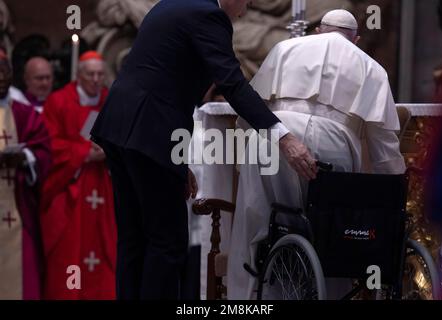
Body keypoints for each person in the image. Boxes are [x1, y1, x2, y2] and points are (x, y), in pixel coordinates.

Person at [91, 0, 317, 300]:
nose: (246, 10)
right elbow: (233, 83)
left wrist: (178, 161)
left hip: (121, 126)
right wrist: (284, 137)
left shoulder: (172, 4)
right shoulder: (209, 14)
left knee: (133, 239)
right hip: (150, 130)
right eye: (246, 1)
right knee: (166, 241)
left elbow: (165, 81)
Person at [227, 9, 407, 299]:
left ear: (317, 31)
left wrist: (243, 165)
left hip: (274, 137)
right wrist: (395, 192)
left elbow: (249, 110)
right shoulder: (371, 67)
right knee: (329, 234)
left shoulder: (284, 48)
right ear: (356, 40)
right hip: (333, 144)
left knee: (257, 226)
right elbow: (384, 149)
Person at [41, 51, 116, 300]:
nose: (96, 79)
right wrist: (84, 152)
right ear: (78, 75)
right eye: (90, 74)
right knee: (70, 255)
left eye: (100, 74)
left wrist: (110, 151)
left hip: (104, 189)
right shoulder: (58, 102)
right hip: (71, 191)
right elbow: (47, 144)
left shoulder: (110, 101)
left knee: (105, 258)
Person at [0, 48, 51, 300]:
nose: (0, 77)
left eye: (5, 71)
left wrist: (25, 157)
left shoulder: (23, 112)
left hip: (17, 211)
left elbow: (43, 150)